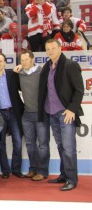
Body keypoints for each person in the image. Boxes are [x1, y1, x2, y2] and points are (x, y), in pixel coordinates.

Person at [38, 39, 84, 191]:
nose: (50, 51)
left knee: (69, 148)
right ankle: (64, 175)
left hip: (65, 114)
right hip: (51, 113)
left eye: (53, 48)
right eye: (48, 49)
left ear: (60, 48)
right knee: (61, 146)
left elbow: (79, 90)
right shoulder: (47, 67)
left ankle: (72, 179)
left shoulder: (70, 65)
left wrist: (71, 109)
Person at [0, 53, 24, 179]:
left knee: (18, 142)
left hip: (14, 113)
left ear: (5, 62)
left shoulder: (13, 74)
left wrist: (22, 66)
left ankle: (16, 169)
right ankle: (5, 170)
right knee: (0, 143)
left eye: (0, 61)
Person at [17, 50, 50, 181]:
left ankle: (42, 171)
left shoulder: (41, 72)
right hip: (27, 114)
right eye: (22, 60)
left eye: (26, 59)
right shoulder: (19, 73)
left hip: (41, 114)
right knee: (30, 144)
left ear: (32, 59)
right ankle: (33, 169)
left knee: (42, 144)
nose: (24, 62)